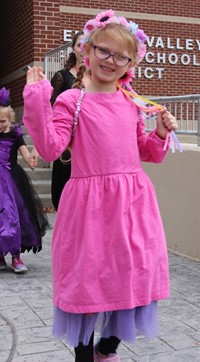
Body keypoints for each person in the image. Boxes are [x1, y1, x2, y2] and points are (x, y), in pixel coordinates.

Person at [23, 9, 179, 362]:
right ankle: (84, 356)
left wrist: (160, 133)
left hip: (132, 206)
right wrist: (35, 97)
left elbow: (148, 153)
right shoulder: (71, 101)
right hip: (89, 210)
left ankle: (106, 349)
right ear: (88, 51)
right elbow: (49, 147)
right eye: (104, 51)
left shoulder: (131, 102)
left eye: (121, 56)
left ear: (131, 62)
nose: (112, 60)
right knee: (87, 284)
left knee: (133, 279)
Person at [0, 87, 49, 273]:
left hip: (12, 178)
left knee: (16, 215)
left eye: (3, 121)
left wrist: (32, 157)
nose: (0, 124)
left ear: (10, 118)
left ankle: (16, 256)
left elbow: (26, 154)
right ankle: (0, 255)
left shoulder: (15, 133)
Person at [50, 30, 90, 211]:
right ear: (73, 49)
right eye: (79, 45)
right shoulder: (61, 76)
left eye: (87, 44)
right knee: (65, 190)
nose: (83, 49)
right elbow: (50, 111)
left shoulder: (97, 78)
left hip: (89, 141)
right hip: (67, 143)